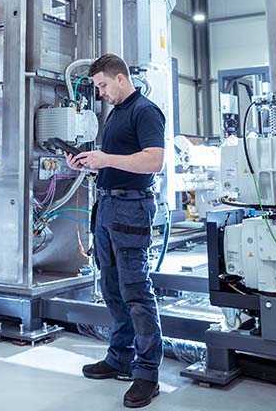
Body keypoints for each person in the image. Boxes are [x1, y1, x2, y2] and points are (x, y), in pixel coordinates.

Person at [65, 53, 166, 408]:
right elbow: (118, 161)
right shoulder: (115, 115)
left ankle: (147, 374)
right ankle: (119, 357)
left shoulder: (145, 111)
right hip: (107, 206)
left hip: (131, 208)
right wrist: (88, 162)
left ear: (120, 78)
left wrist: (105, 159)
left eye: (102, 85)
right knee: (111, 287)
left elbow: (153, 160)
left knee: (136, 291)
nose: (101, 92)